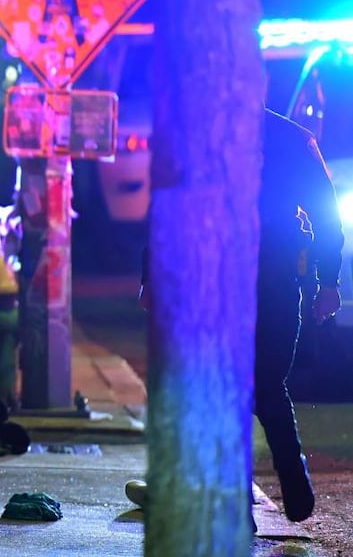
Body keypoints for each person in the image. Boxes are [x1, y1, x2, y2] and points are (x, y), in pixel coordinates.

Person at [136, 107, 343, 526]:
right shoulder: (293, 138)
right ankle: (292, 475)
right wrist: (328, 282)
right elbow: (325, 216)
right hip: (275, 281)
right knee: (266, 383)